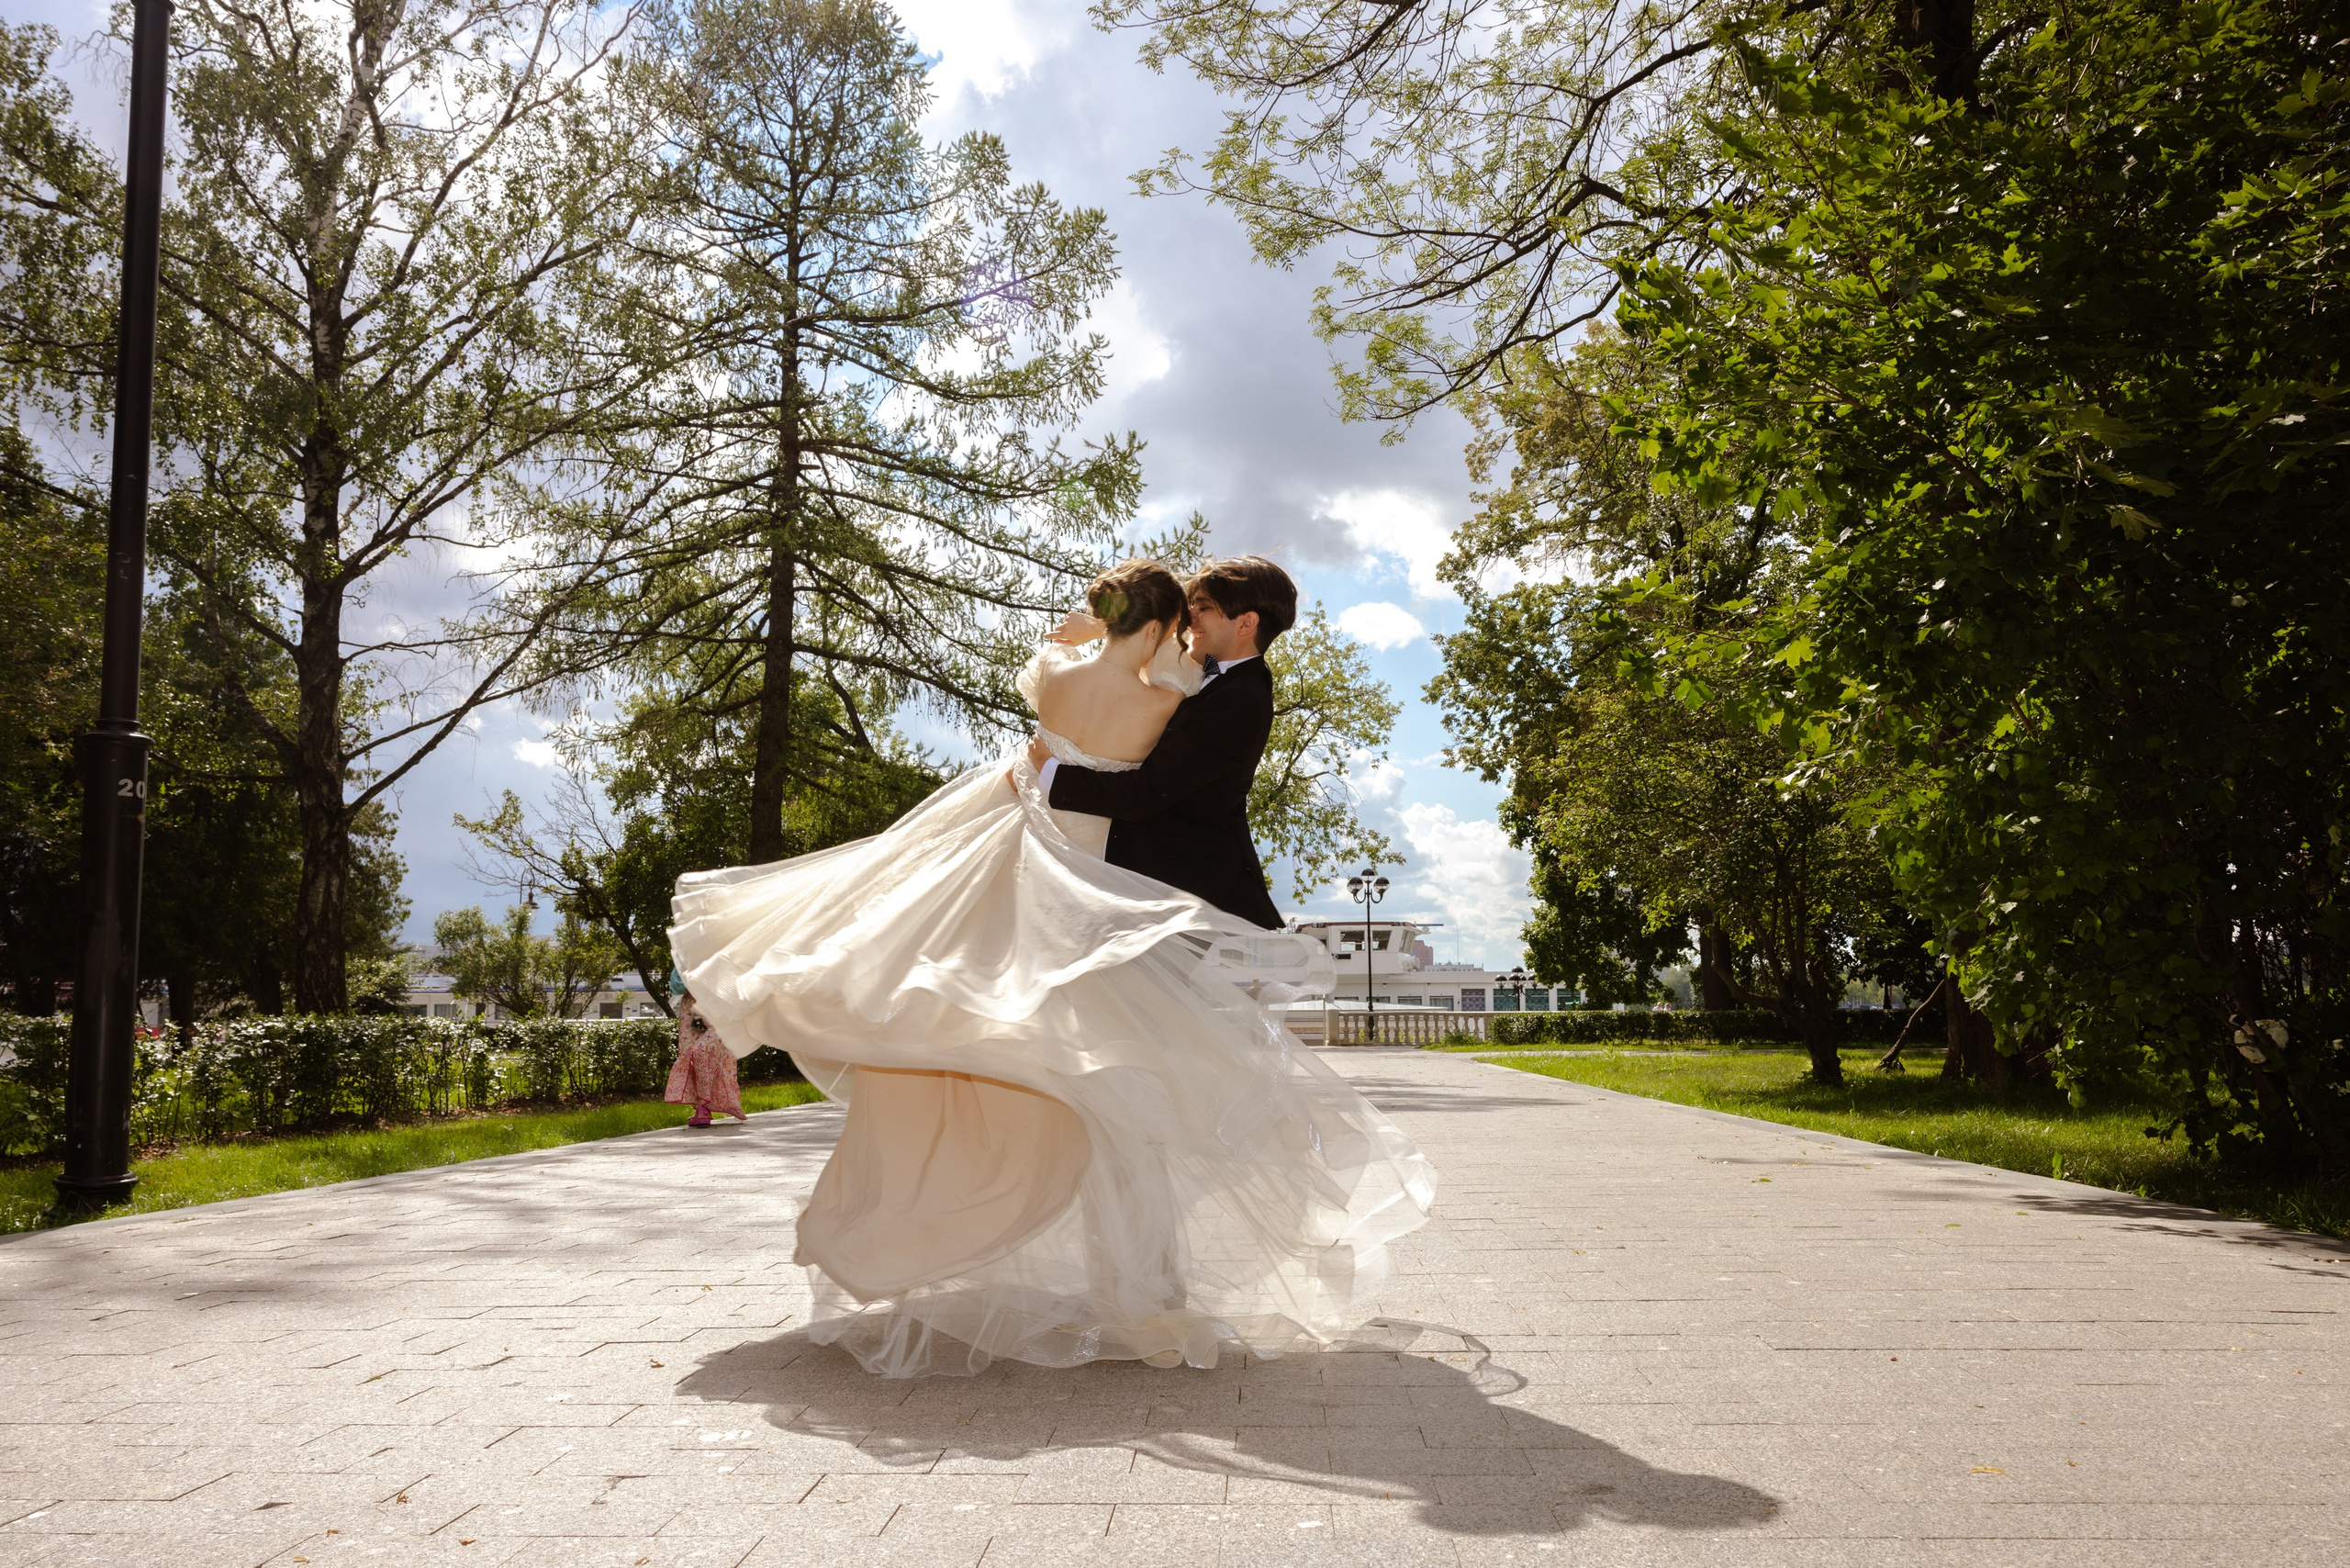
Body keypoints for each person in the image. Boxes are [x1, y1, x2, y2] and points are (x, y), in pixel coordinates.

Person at [669, 557, 1433, 1378]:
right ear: (1162, 623)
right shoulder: (1174, 691)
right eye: (1185, 613)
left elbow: (1141, 786)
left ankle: (1124, 1277)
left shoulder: (1201, 692)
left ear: (1246, 623)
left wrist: (1044, 766)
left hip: (1099, 885)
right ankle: (1138, 1285)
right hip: (1089, 894)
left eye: (1206, 612)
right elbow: (1140, 751)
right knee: (1113, 1088)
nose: (1193, 626)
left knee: (1090, 1077)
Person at [666, 990, 746, 1126]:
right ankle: (701, 1109)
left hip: (714, 1001)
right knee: (689, 1056)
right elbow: (677, 987)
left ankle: (705, 1107)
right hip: (690, 1007)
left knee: (702, 1052)